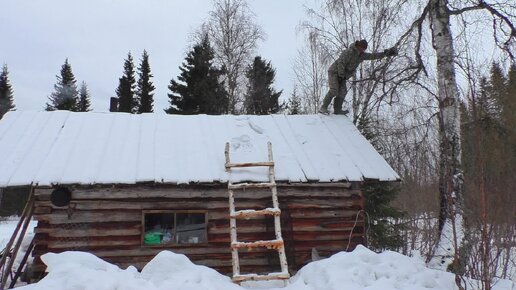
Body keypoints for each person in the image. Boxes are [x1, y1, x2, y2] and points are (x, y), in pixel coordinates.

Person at [319, 39, 397, 115]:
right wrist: (341, 75)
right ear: (358, 45)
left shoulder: (361, 55)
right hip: (334, 72)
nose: (363, 50)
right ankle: (323, 108)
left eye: (364, 49)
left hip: (342, 76)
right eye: (362, 48)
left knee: (343, 91)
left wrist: (385, 53)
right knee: (334, 90)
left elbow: (373, 56)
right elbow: (341, 63)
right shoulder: (349, 52)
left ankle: (337, 110)